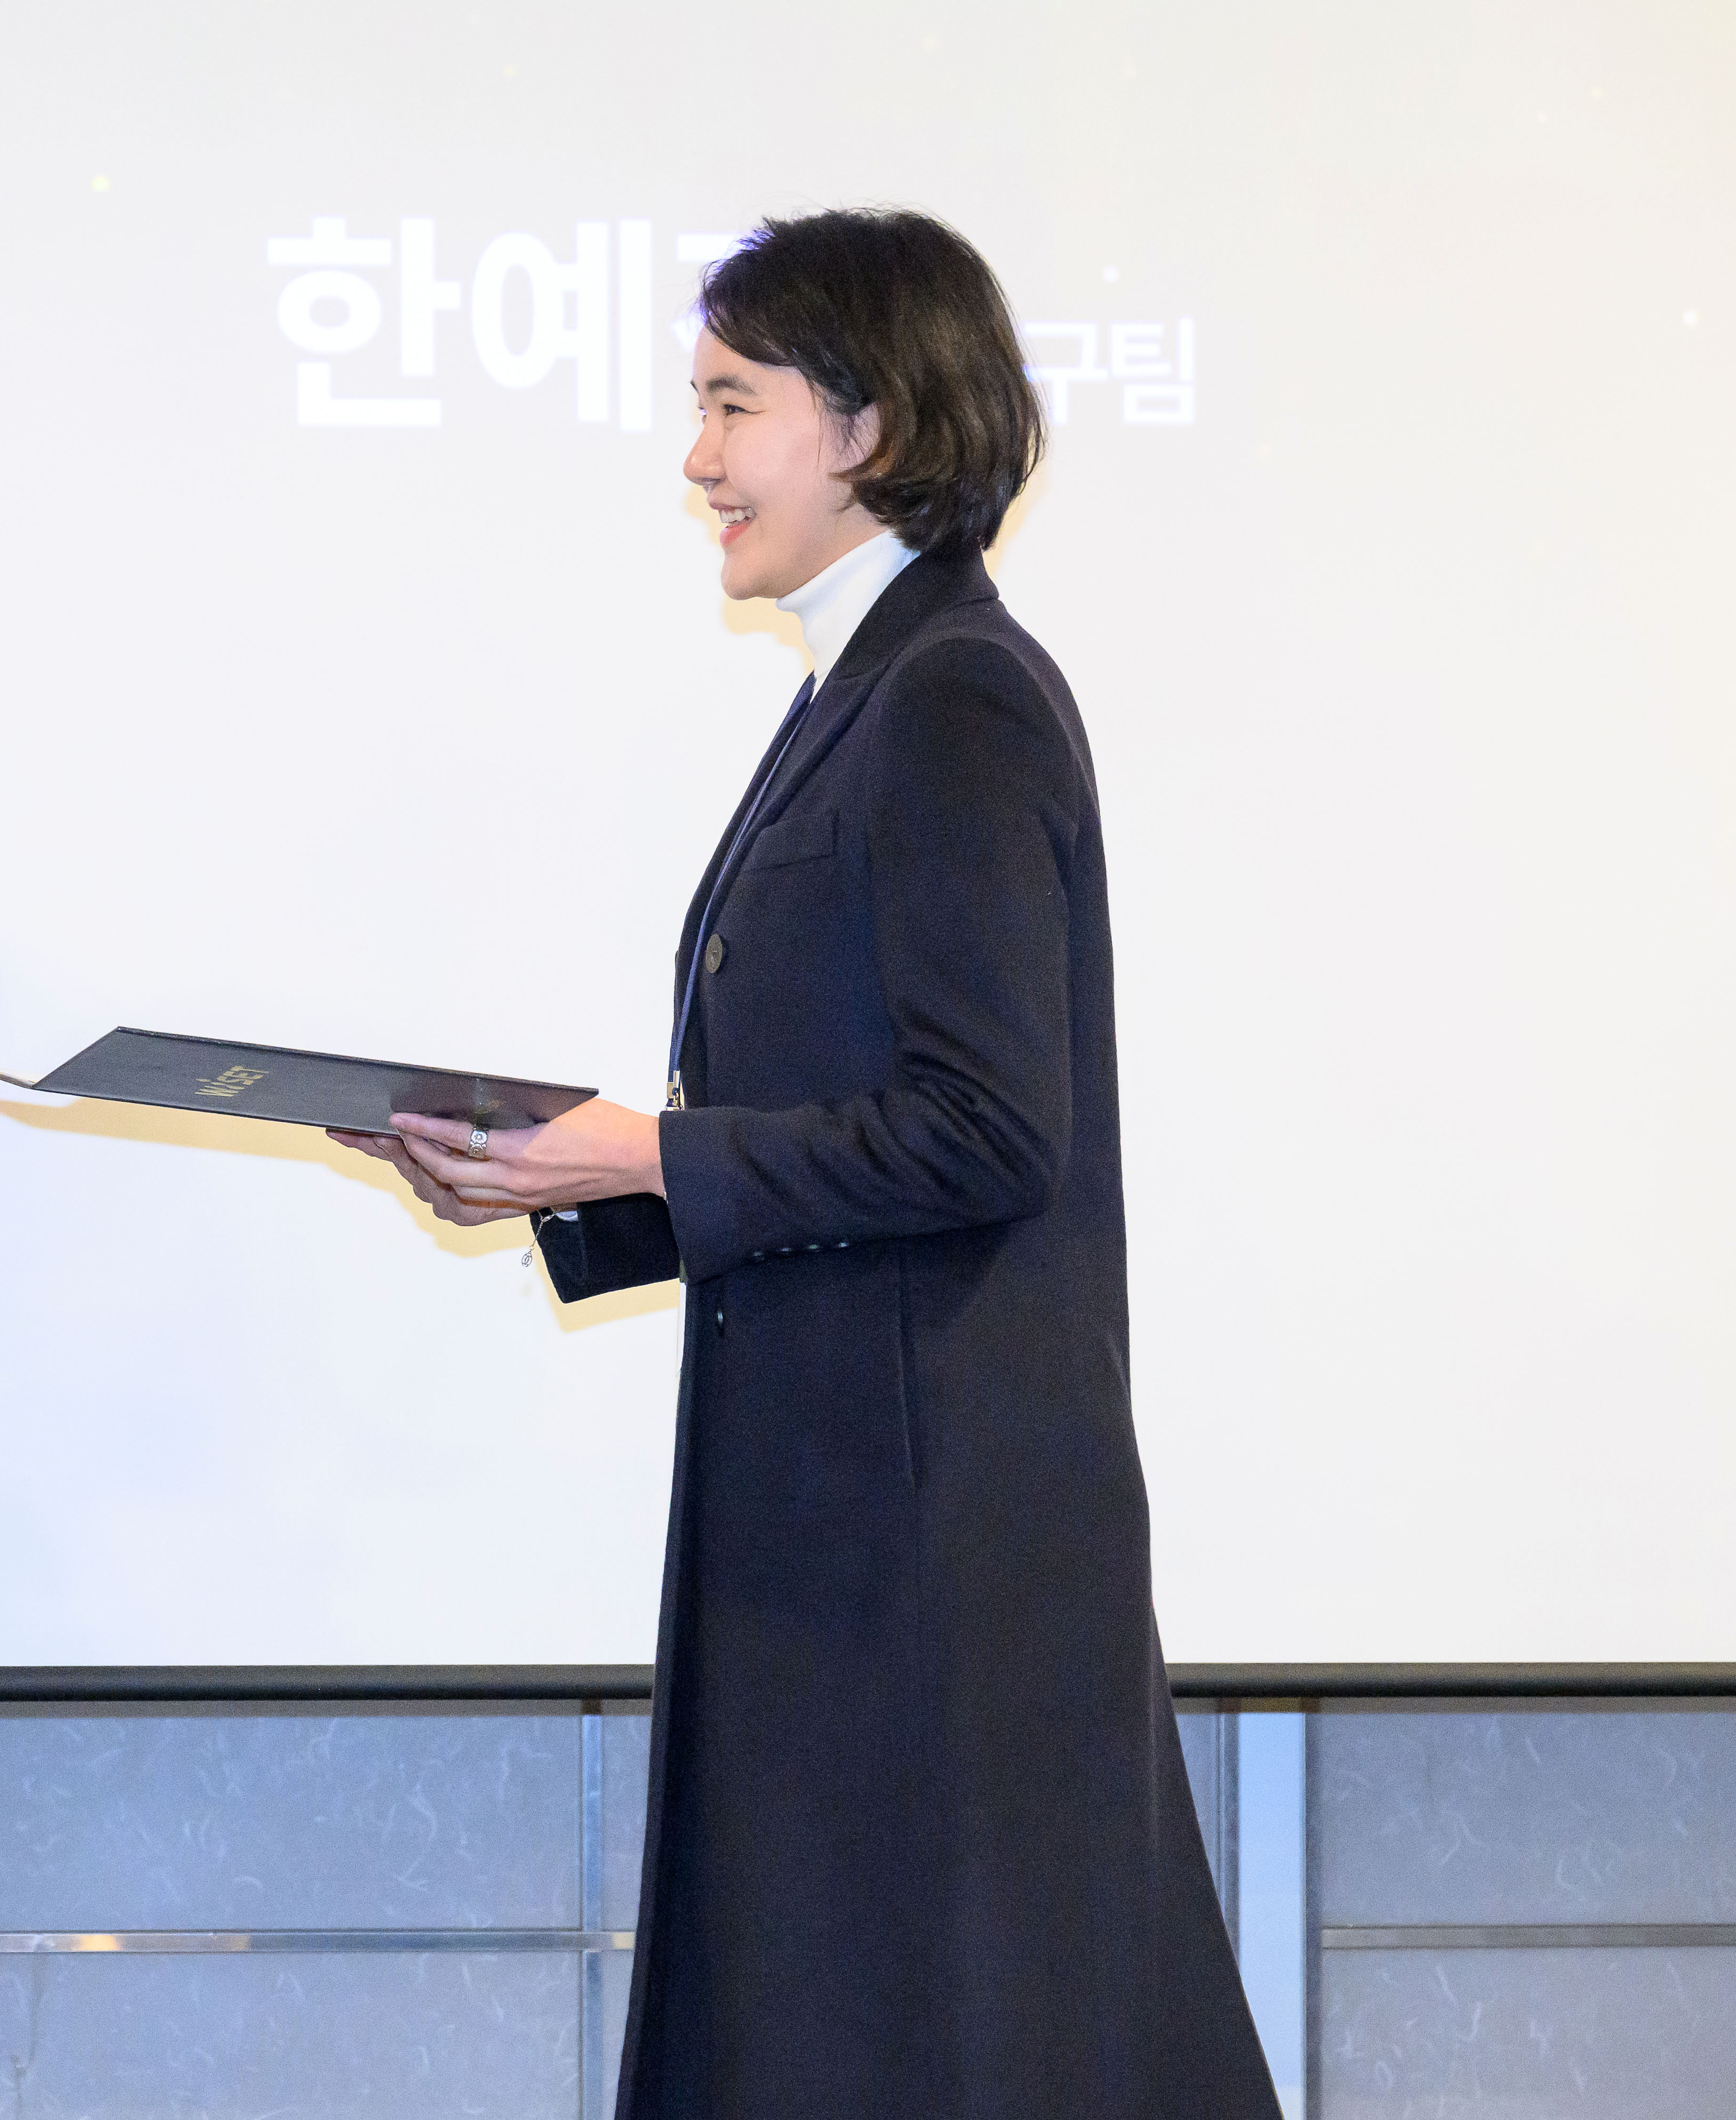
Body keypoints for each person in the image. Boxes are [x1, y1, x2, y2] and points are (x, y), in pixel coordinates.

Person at [334, 210, 1277, 2115]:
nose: (695, 459)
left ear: (871, 423)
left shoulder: (955, 694)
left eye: (730, 405)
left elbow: (989, 1127)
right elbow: (849, 1116)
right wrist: (571, 1177)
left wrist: (649, 1150)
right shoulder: (869, 690)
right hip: (855, 1525)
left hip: (929, 1554)